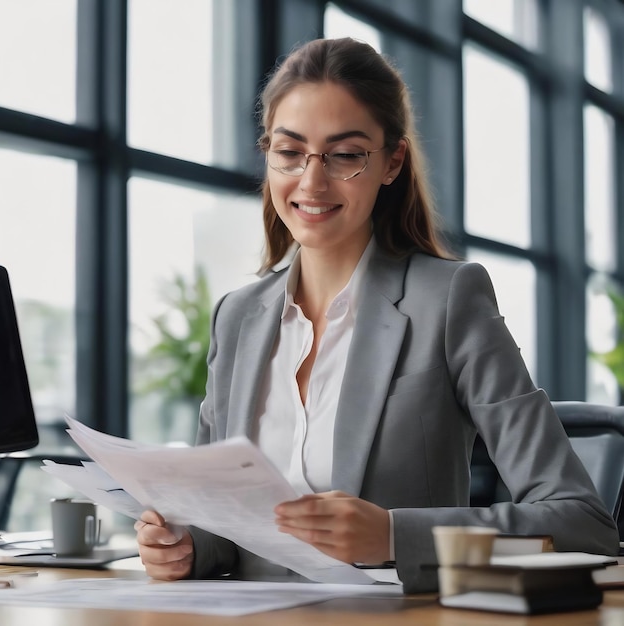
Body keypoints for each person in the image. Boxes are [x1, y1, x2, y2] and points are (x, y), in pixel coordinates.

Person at [135, 37, 619, 593]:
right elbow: (224, 522)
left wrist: (392, 535)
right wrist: (187, 546)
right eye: (290, 152)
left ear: (391, 162)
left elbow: (581, 520)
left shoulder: (449, 298)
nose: (312, 182)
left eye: (345, 155)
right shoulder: (238, 318)